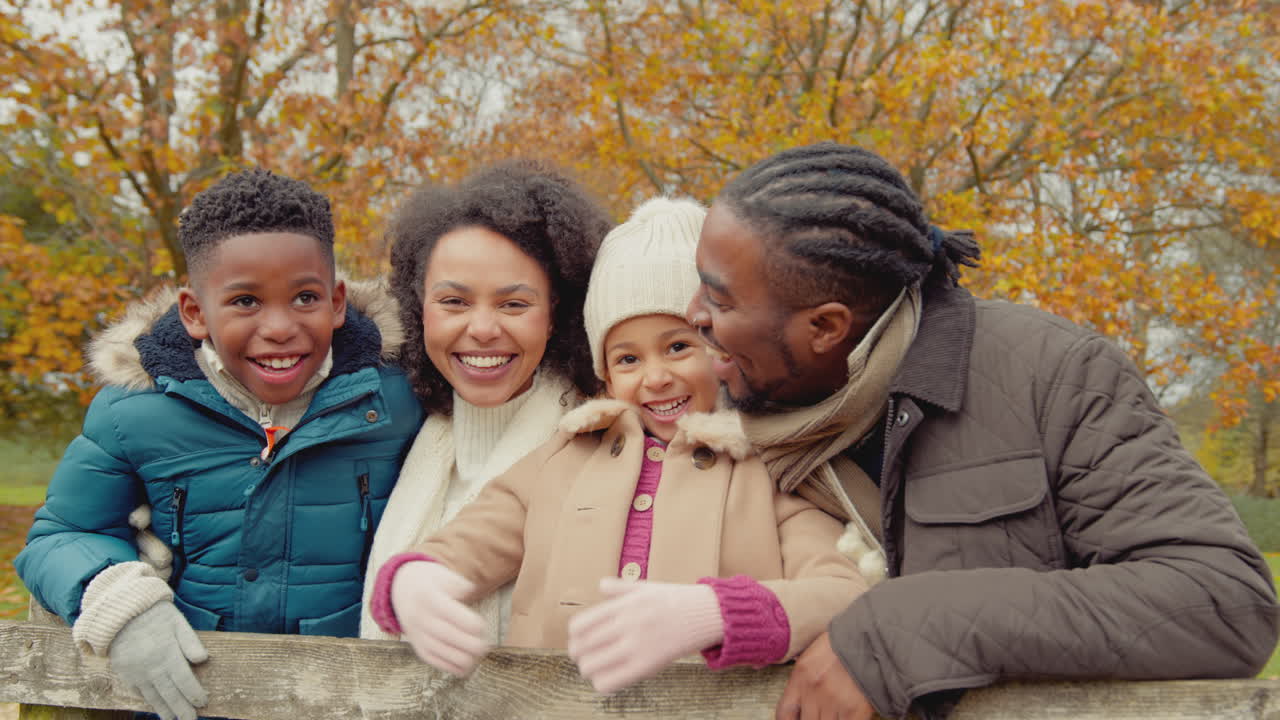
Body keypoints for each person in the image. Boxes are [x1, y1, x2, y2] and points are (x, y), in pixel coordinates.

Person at [682, 141, 1280, 720]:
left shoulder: (1055, 375)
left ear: (826, 327)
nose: (693, 315)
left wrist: (899, 629)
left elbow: (1222, 601)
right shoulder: (712, 414)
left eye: (719, 299)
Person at [368, 197, 881, 694]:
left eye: (679, 347)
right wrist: (416, 579)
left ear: (726, 350)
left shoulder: (767, 469)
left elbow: (843, 593)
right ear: (606, 376)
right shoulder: (566, 455)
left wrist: (717, 613)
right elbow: (476, 534)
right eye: (628, 359)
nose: (655, 378)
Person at [15, 168, 424, 720]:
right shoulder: (134, 411)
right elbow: (61, 534)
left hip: (346, 698)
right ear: (194, 313)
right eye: (246, 302)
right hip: (195, 699)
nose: (279, 327)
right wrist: (117, 597)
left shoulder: (396, 399)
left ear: (338, 302)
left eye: (305, 297)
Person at [360, 159, 612, 643]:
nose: (481, 329)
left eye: (513, 304)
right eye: (454, 301)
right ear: (419, 308)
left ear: (556, 314)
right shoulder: (381, 426)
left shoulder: (608, 445)